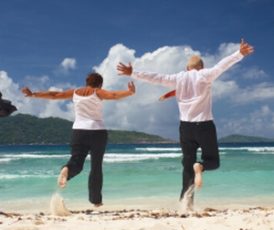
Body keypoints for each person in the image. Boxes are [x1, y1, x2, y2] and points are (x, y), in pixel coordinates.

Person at [117, 39, 254, 212]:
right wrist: (239, 53)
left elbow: (156, 78)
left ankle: (185, 204)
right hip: (204, 125)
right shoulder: (206, 75)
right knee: (213, 161)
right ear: (201, 68)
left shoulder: (178, 78)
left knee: (187, 166)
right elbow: (222, 65)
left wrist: (133, 72)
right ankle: (201, 167)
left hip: (185, 129)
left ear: (187, 68)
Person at [22, 72, 135, 207]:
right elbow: (114, 95)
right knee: (96, 167)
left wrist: (34, 94)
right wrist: (129, 92)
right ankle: (96, 201)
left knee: (77, 161)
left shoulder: (75, 92)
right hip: (98, 131)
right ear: (100, 84)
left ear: (86, 82)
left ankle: (67, 170)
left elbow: (55, 95)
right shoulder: (97, 92)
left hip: (79, 132)